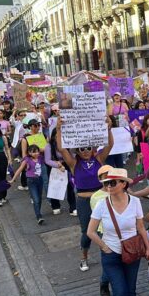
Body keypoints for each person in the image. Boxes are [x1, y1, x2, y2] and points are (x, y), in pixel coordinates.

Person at [86, 168, 149, 296]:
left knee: (130, 291)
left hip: (132, 253)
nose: (108, 186)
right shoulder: (101, 205)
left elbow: (141, 227)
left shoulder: (135, 202)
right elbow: (90, 232)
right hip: (111, 256)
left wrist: (148, 247)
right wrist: (104, 247)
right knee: (120, 293)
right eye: (106, 183)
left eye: (112, 182)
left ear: (123, 184)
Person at [56, 117, 114, 273]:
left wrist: (108, 128)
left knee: (106, 229)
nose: (86, 151)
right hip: (83, 201)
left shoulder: (99, 159)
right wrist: (59, 129)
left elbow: (110, 145)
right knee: (86, 232)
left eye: (88, 147)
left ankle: (109, 255)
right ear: (78, 151)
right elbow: (62, 149)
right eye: (82, 148)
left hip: (101, 199)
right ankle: (84, 257)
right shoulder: (74, 163)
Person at [9, 145, 50, 225]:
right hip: (31, 181)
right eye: (33, 152)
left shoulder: (41, 158)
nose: (35, 153)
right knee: (36, 199)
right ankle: (39, 216)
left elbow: (48, 155)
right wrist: (13, 179)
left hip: (40, 180)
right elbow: (20, 169)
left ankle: (38, 211)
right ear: (29, 153)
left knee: (39, 198)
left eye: (37, 151)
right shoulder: (27, 160)